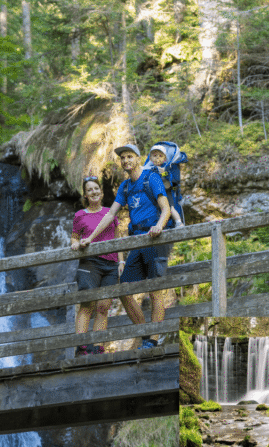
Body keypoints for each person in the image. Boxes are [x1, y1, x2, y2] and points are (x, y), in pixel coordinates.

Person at [80, 144, 170, 349]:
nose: (126, 160)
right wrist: (91, 237)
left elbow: (165, 208)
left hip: (154, 239)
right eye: (123, 158)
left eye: (130, 156)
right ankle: (146, 334)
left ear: (138, 158)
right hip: (136, 241)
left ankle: (153, 339)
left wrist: (159, 226)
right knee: (123, 290)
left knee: (155, 290)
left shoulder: (152, 178)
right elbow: (110, 215)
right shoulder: (125, 187)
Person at [70, 176, 125, 355]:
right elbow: (74, 237)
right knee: (87, 303)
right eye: (89, 190)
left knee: (103, 306)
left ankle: (97, 346)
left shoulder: (110, 213)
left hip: (111, 265)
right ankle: (81, 346)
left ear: (101, 192)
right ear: (85, 195)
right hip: (90, 263)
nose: (93, 192)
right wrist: (74, 244)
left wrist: (121, 261)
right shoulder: (80, 215)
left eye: (96, 188)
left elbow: (117, 238)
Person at [149, 144, 184, 228]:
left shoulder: (166, 168)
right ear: (150, 158)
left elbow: (170, 179)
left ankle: (179, 222)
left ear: (164, 158)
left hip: (167, 192)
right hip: (157, 193)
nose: (157, 158)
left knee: (170, 208)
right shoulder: (149, 169)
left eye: (160, 156)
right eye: (155, 156)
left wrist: (164, 173)